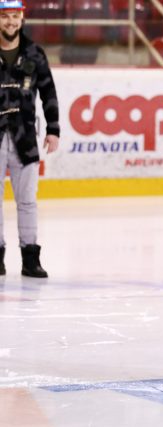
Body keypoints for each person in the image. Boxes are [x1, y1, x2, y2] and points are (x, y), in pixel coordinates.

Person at [0, 0, 59, 278]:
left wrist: (53, 129)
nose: (10, 21)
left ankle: (30, 258)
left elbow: (49, 92)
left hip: (24, 137)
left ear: (22, 18)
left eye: (15, 16)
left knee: (27, 201)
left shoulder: (35, 53)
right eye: (4, 16)